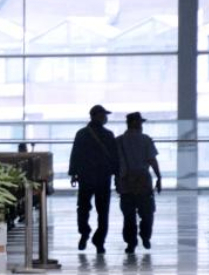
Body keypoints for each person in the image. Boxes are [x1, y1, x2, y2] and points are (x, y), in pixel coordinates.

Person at [69, 105, 120, 254]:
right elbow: (114, 158)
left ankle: (84, 232)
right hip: (103, 177)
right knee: (103, 210)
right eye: (104, 115)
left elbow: (75, 154)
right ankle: (99, 241)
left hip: (86, 177)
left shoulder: (82, 134)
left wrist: (74, 173)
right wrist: (117, 176)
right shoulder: (108, 135)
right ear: (96, 116)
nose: (106, 118)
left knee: (83, 208)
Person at [116, 112, 162, 254]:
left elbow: (115, 163)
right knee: (147, 212)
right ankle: (145, 236)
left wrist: (116, 180)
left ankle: (131, 243)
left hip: (125, 181)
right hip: (143, 180)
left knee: (128, 215)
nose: (141, 125)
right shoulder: (146, 140)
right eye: (140, 122)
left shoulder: (118, 141)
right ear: (136, 123)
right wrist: (159, 177)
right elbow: (152, 160)